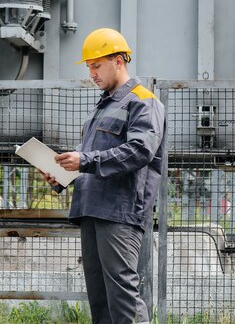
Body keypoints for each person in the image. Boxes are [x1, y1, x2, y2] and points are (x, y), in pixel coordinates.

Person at [43, 27, 166, 324]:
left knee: (123, 296)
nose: (92, 73)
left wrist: (84, 160)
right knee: (100, 299)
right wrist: (62, 174)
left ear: (119, 61)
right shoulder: (102, 107)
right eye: (89, 67)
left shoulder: (143, 101)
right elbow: (93, 162)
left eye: (96, 65)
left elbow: (139, 151)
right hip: (92, 208)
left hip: (119, 211)